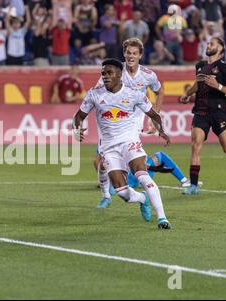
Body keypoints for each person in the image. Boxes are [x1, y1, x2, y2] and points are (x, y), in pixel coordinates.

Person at [73, 58, 172, 230]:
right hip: (109, 148)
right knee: (123, 193)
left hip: (130, 142)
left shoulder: (134, 94)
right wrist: (77, 130)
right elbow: (78, 116)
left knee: (142, 176)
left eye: (109, 73)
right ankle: (142, 199)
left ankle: (162, 218)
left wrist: (161, 129)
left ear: (120, 74)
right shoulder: (95, 94)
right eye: (103, 73)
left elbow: (154, 114)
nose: (105, 76)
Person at [94, 38, 165, 209]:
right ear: (124, 54)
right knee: (101, 162)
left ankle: (133, 188)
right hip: (112, 120)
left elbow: (160, 92)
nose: (130, 56)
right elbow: (98, 91)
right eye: (128, 53)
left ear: (140, 55)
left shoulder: (148, 75)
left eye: (134, 53)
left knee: (126, 156)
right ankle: (106, 195)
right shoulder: (115, 71)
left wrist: (155, 115)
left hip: (133, 121)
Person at [179, 37, 226, 195]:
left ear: (220, 48)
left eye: (212, 43)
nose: (208, 45)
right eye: (208, 43)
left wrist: (217, 85)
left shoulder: (224, 67)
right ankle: (194, 186)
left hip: (218, 111)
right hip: (200, 111)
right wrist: (187, 94)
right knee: (195, 144)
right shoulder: (200, 66)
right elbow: (198, 84)